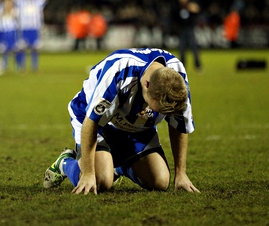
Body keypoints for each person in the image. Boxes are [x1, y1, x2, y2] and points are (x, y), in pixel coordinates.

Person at [43, 48, 200, 195]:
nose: (159, 114)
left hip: (137, 126)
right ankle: (65, 163)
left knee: (160, 182)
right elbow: (91, 123)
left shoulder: (177, 79)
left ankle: (118, 168)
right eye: (158, 110)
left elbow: (179, 124)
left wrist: (181, 173)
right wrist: (88, 173)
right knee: (100, 182)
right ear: (147, 85)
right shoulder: (118, 72)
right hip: (96, 122)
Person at [10, 0, 50, 73]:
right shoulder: (21, 1)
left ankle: (34, 67)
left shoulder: (38, 1)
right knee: (22, 48)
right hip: (24, 28)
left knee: (35, 48)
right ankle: (21, 67)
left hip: (35, 28)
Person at [173, 0, 202, 72]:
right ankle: (182, 66)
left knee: (194, 47)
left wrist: (191, 7)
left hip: (190, 29)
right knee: (181, 48)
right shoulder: (177, 6)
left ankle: (198, 65)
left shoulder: (191, 4)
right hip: (181, 29)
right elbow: (174, 17)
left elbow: (197, 9)